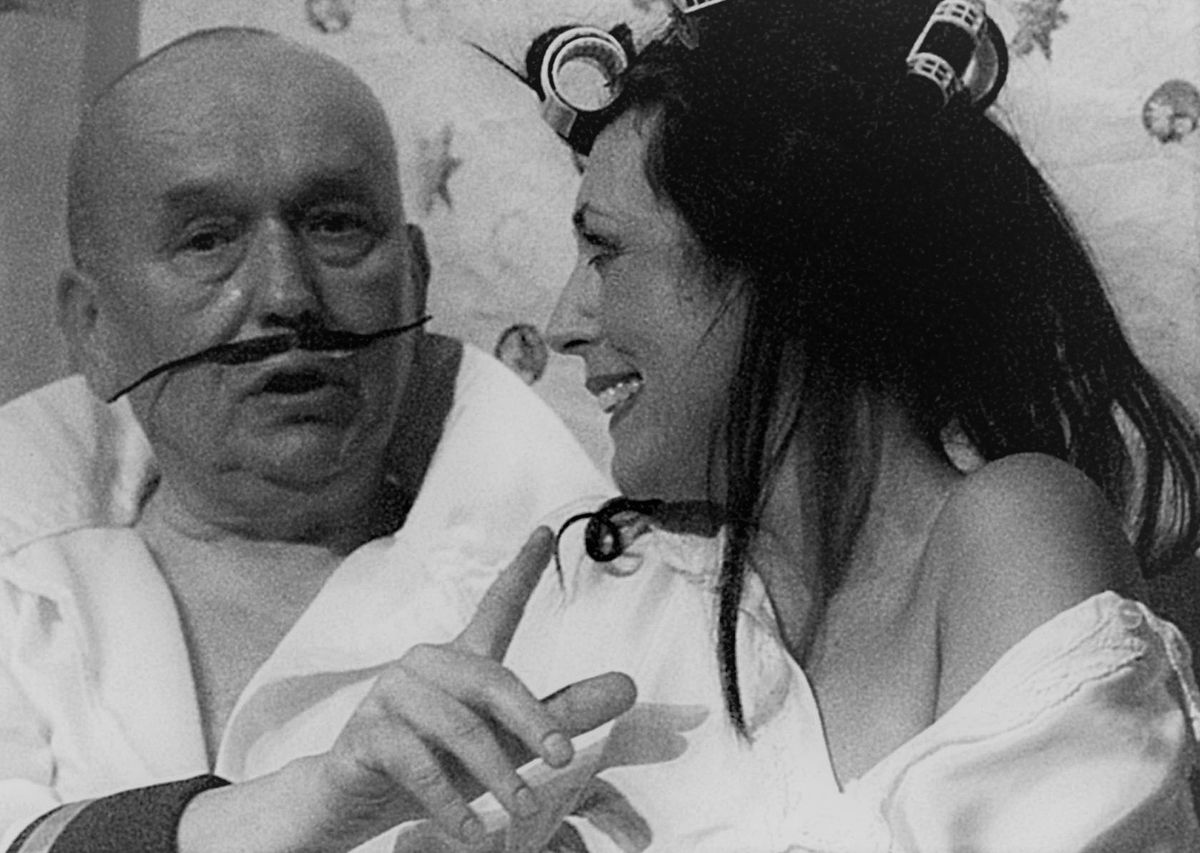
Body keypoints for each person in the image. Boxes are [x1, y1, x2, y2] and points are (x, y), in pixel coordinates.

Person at [496, 0, 1200, 849]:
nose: (563, 323)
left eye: (604, 250)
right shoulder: (609, 581)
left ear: (781, 265)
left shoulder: (1007, 535)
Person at [0, 27, 637, 853]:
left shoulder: (604, 606)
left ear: (415, 278)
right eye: (206, 240)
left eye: (335, 226)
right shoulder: (20, 604)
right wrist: (289, 810)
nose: (288, 294)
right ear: (93, 329)